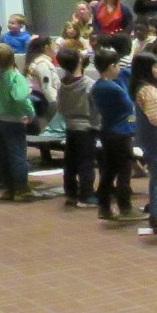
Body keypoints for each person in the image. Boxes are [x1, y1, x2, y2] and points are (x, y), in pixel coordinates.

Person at [0, 44, 37, 202]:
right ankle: (21, 188)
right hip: (14, 120)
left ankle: (8, 188)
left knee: (4, 154)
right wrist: (30, 113)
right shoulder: (16, 77)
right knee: (18, 154)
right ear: (13, 58)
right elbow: (20, 98)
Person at [90, 51, 140, 222]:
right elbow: (128, 105)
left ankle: (104, 206)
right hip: (120, 132)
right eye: (117, 65)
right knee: (124, 171)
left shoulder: (97, 86)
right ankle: (125, 207)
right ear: (111, 66)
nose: (119, 69)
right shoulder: (112, 88)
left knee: (109, 171)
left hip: (107, 130)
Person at [129, 57, 157, 232]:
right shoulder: (149, 91)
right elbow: (156, 118)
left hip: (150, 138)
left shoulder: (140, 88)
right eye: (154, 66)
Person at [55, 50, 99, 208]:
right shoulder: (89, 84)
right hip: (86, 128)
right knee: (86, 162)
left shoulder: (63, 84)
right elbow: (96, 108)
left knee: (70, 162)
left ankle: (71, 193)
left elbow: (59, 107)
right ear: (79, 61)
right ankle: (86, 195)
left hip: (70, 126)